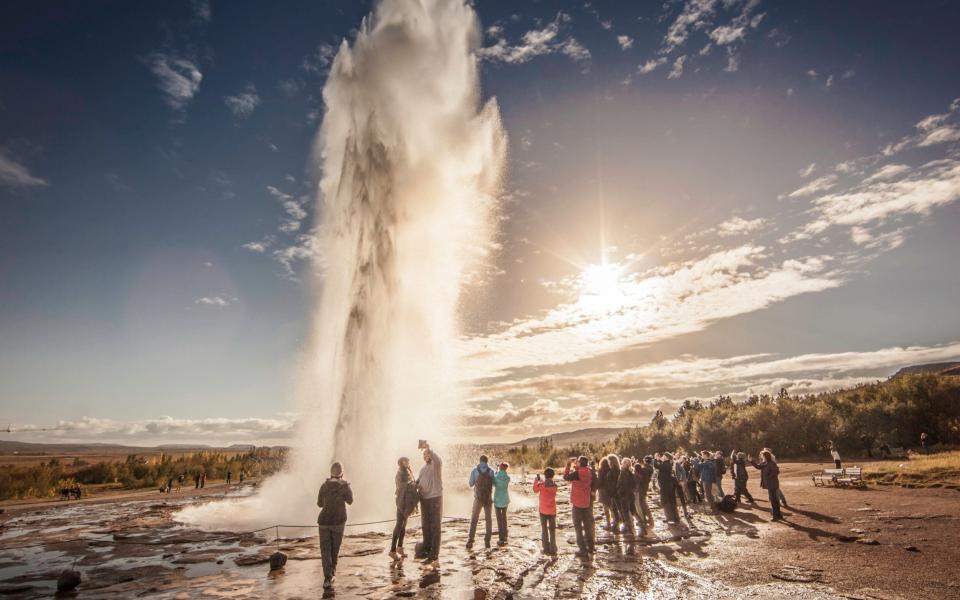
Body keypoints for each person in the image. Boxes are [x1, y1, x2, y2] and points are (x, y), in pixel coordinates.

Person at [317, 462, 353, 589]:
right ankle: (332, 573)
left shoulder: (324, 486)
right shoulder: (345, 486)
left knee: (325, 551)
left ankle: (327, 578)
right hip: (338, 521)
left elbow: (319, 504)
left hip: (324, 522)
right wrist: (346, 486)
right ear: (341, 473)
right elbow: (350, 501)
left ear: (330, 472)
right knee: (334, 550)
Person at [417, 442, 443, 569]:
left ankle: (434, 555)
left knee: (435, 527)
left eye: (427, 454)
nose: (426, 456)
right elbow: (418, 482)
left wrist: (429, 449)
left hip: (434, 498)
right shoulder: (423, 468)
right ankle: (427, 552)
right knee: (426, 526)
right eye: (424, 455)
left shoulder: (435, 465)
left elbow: (437, 459)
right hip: (424, 499)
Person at [563, 456, 595, 557]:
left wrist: (568, 464)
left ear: (580, 464)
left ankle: (582, 549)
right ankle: (591, 546)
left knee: (578, 527)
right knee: (587, 526)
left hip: (577, 504)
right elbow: (589, 477)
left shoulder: (577, 473)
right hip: (587, 502)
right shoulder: (590, 471)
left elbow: (566, 477)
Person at [466, 454, 494, 550]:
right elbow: (494, 484)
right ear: (487, 461)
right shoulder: (491, 471)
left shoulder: (474, 471)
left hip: (477, 499)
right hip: (488, 499)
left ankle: (470, 540)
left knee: (474, 519)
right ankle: (487, 541)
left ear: (480, 461)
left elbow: (470, 484)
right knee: (488, 520)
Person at [390, 457, 415, 561]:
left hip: (406, 502)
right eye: (405, 461)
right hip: (401, 502)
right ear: (400, 463)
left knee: (403, 525)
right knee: (399, 525)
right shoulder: (400, 473)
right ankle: (392, 550)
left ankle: (400, 547)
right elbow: (400, 487)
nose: (407, 462)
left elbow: (411, 483)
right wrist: (411, 484)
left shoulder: (407, 471)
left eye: (408, 461)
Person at [749, 450, 782, 521]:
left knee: (773, 500)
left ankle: (775, 516)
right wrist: (752, 461)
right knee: (774, 500)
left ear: (765, 456)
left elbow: (776, 471)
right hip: (770, 484)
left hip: (773, 484)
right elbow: (758, 467)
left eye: (762, 456)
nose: (761, 457)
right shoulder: (765, 463)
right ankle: (778, 515)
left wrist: (768, 477)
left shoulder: (771, 463)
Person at [533, 468, 558, 555]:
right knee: (552, 530)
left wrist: (536, 481)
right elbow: (549, 484)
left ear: (545, 475)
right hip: (552, 510)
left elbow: (535, 490)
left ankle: (545, 548)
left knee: (544, 529)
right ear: (553, 475)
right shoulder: (555, 485)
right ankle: (553, 548)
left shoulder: (542, 485)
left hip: (543, 510)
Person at [653, 453, 680, 523]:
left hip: (665, 486)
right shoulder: (667, 464)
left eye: (664, 456)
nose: (662, 457)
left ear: (667, 457)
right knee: (671, 501)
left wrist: (656, 459)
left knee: (665, 501)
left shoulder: (665, 464)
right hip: (668, 485)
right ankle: (675, 518)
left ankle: (669, 517)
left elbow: (656, 466)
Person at [617, 458, 637, 536]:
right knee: (633, 512)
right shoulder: (630, 472)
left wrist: (620, 492)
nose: (621, 464)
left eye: (622, 463)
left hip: (625, 496)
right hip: (630, 495)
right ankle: (642, 527)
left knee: (626, 514)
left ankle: (629, 531)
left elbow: (623, 484)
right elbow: (633, 484)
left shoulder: (623, 473)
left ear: (625, 464)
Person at [634, 456, 654, 530]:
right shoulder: (650, 468)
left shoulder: (645, 469)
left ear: (645, 461)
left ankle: (647, 520)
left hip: (642, 488)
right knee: (643, 503)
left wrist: (636, 467)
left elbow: (640, 473)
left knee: (643, 504)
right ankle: (648, 519)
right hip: (644, 487)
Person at [493, 463, 511, 546]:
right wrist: (498, 472)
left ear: (500, 468)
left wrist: (496, 472)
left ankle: (501, 538)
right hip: (505, 500)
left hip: (497, 500)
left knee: (499, 520)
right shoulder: (508, 478)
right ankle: (505, 536)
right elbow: (500, 476)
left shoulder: (496, 477)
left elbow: (493, 483)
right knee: (504, 518)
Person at [604, 455, 622, 532]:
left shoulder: (612, 472)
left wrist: (610, 493)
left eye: (608, 461)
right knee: (617, 510)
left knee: (617, 510)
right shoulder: (618, 470)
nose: (608, 463)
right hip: (617, 494)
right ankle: (617, 525)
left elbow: (612, 485)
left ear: (611, 462)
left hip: (614, 494)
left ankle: (619, 526)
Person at [597, 458, 613, 530]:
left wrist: (596, 487)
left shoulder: (600, 471)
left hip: (602, 491)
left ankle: (608, 524)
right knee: (611, 507)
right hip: (610, 490)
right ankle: (615, 523)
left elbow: (599, 481)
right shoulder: (610, 470)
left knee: (606, 509)